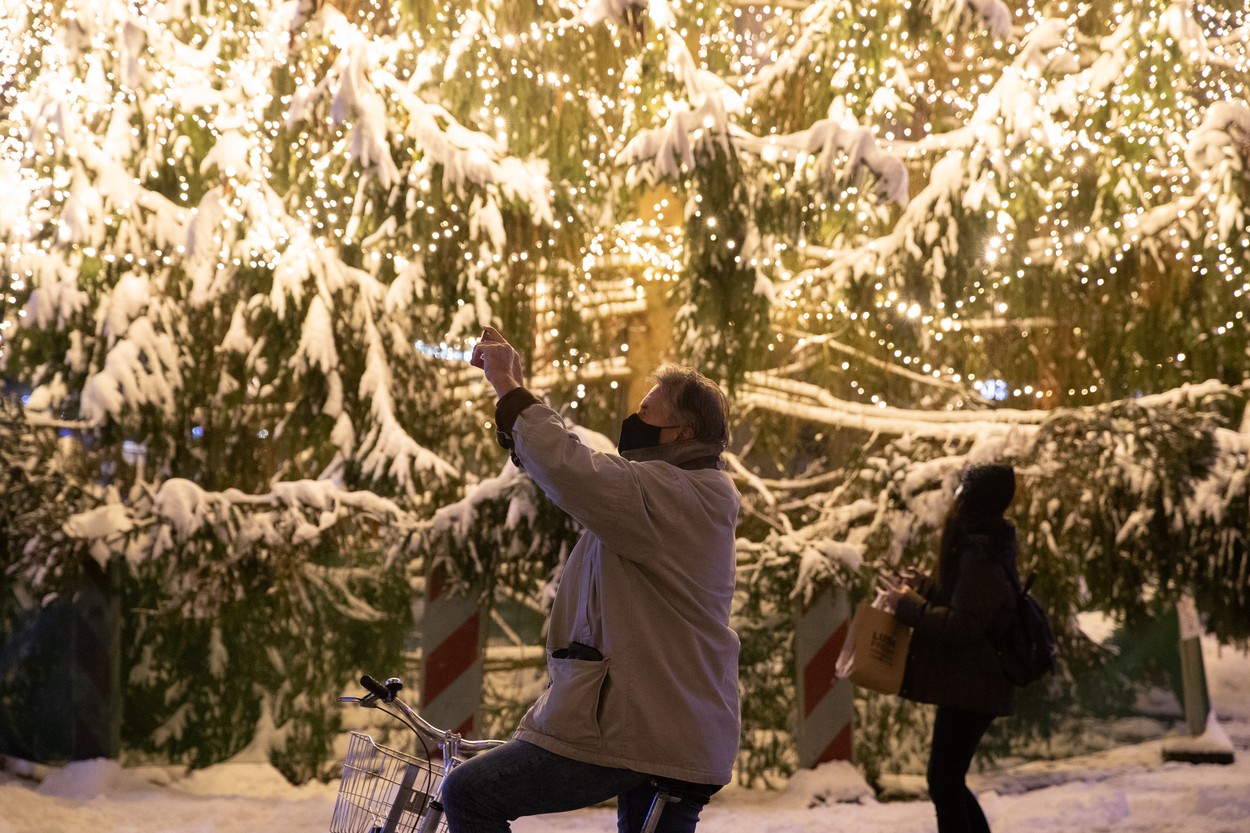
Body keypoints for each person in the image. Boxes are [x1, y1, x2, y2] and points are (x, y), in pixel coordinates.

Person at [440, 327, 741, 833]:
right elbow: (580, 478)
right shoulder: (674, 494)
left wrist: (511, 389)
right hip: (662, 721)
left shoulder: (675, 494)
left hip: (643, 725)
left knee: (469, 792)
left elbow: (574, 470)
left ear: (683, 433)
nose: (634, 420)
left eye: (648, 413)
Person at [880, 463, 1019, 833]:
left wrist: (908, 606)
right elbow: (964, 603)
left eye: (960, 492)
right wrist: (923, 588)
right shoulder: (977, 548)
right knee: (947, 780)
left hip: (975, 682)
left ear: (972, 500)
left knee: (944, 781)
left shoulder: (981, 554)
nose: (953, 501)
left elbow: (963, 625)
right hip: (969, 681)